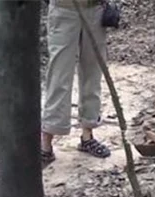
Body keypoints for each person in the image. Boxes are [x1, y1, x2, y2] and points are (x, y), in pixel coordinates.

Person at [41, 0, 112, 168]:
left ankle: (87, 135)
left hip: (95, 9)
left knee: (92, 72)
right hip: (64, 9)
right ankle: (46, 142)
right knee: (59, 75)